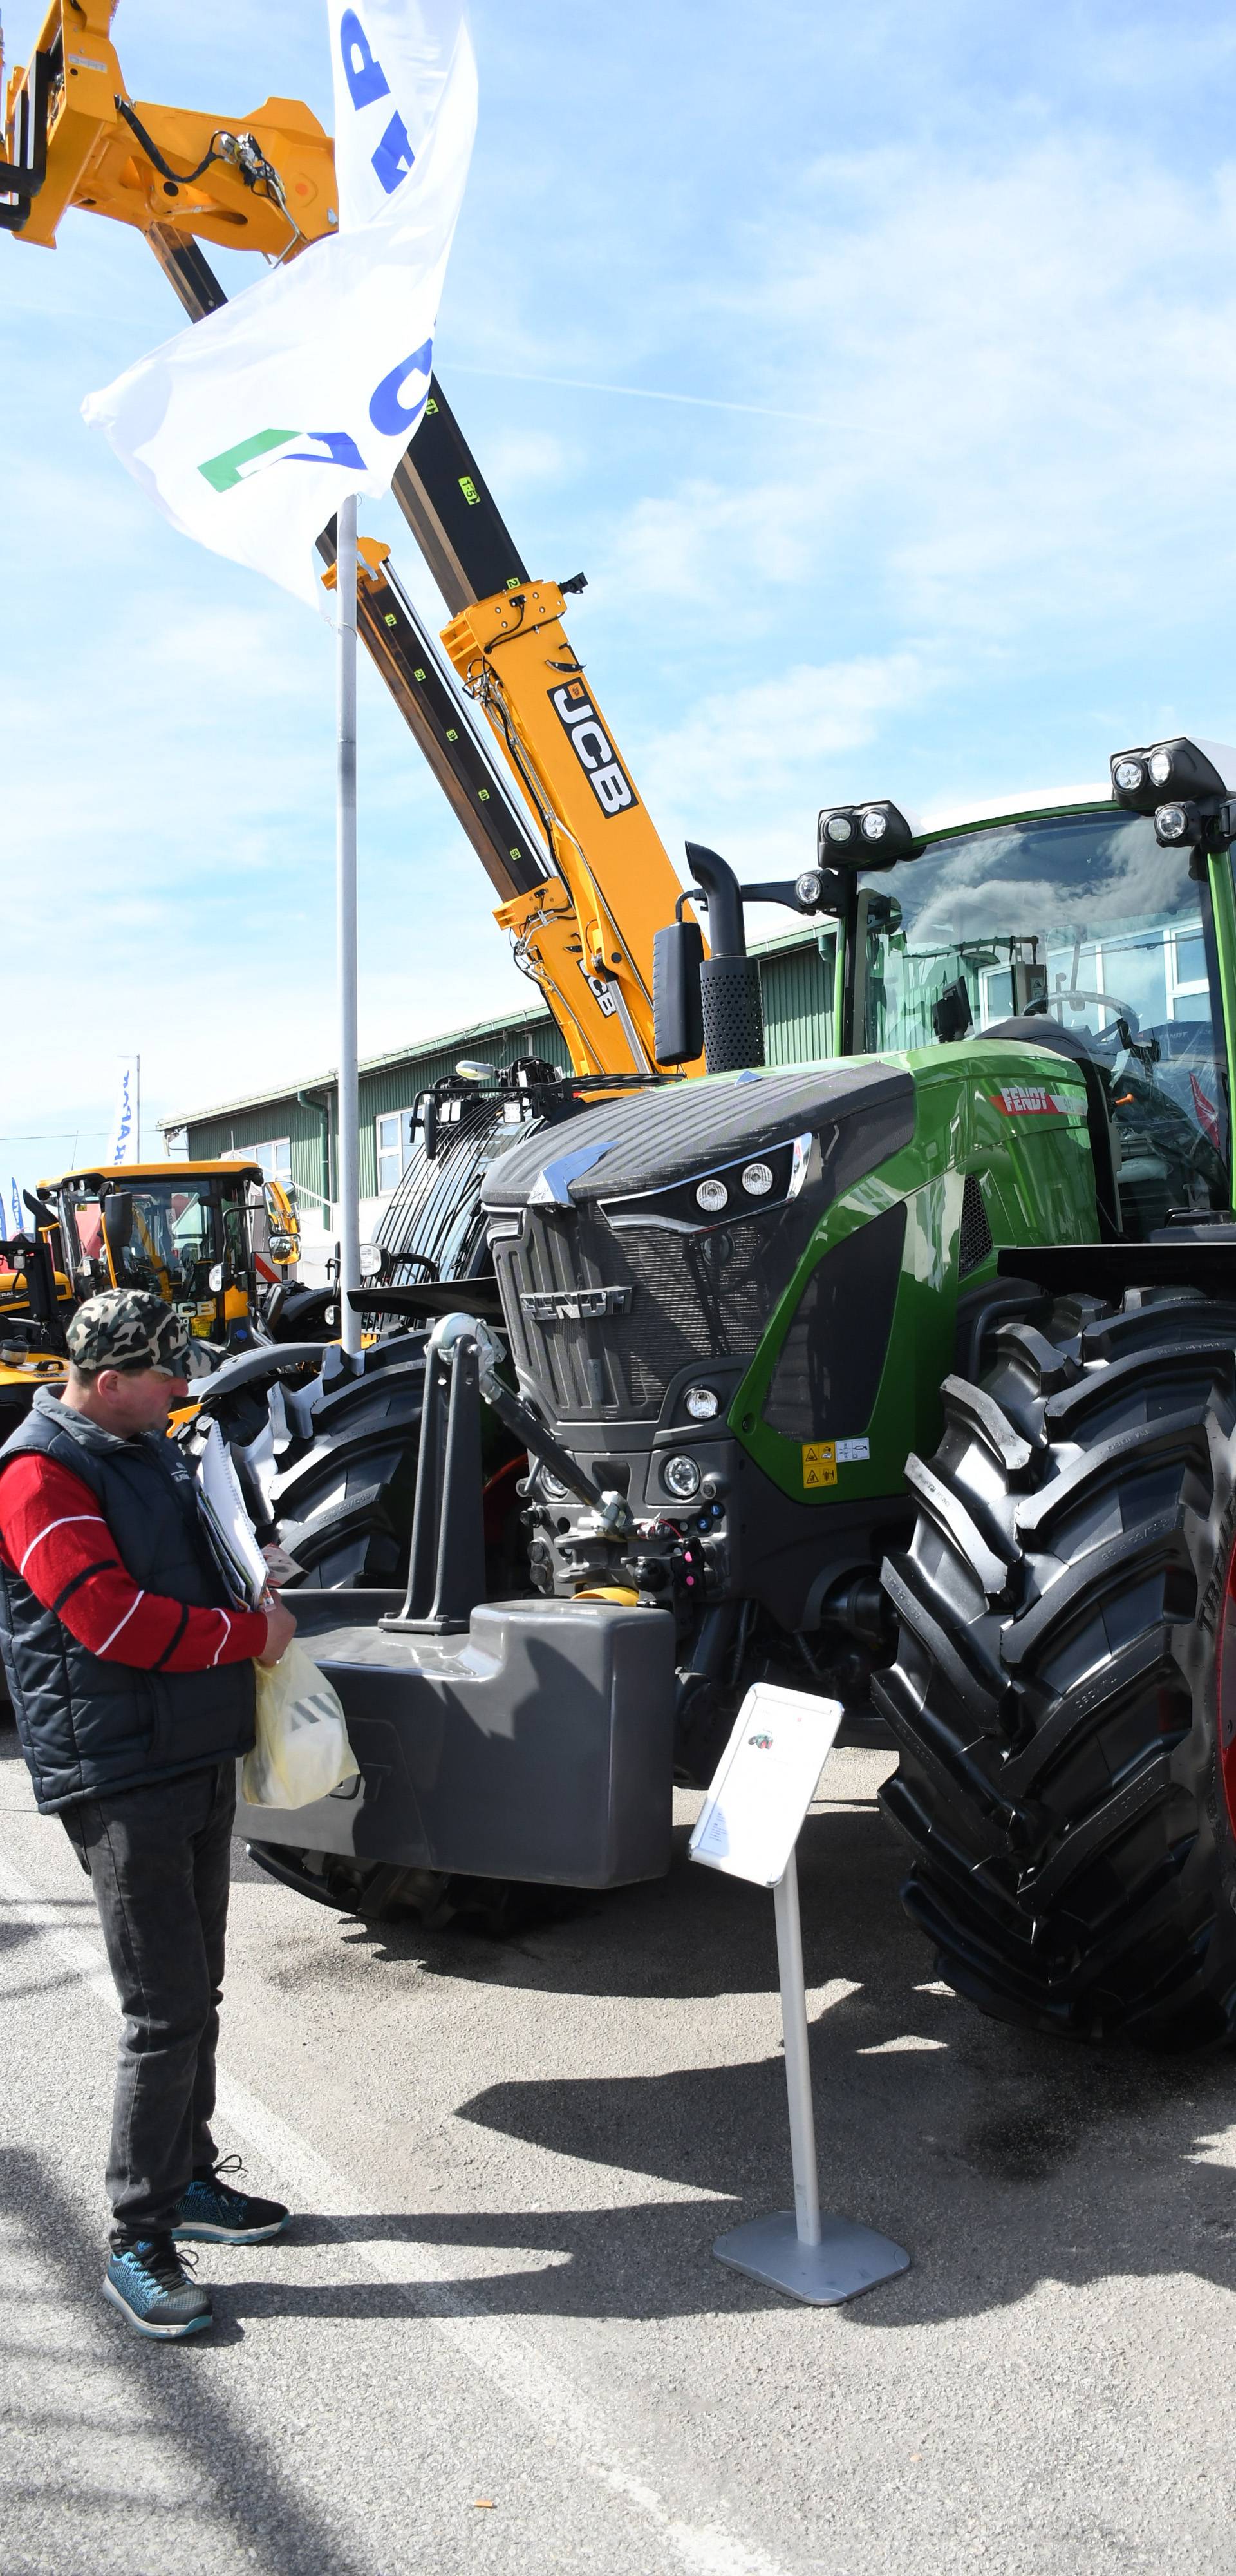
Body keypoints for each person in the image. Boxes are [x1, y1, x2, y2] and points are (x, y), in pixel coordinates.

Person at [0, 1288, 297, 2342]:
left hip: (188, 1754)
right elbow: (109, 1621)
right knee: (163, 2008)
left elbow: (191, 1557)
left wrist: (254, 1563)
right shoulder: (39, 1474)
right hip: (123, 1776)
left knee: (195, 1990)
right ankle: (137, 2235)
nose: (183, 1392)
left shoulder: (143, 1445)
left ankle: (190, 2181)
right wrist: (246, 1634)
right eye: (166, 1378)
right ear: (109, 1381)